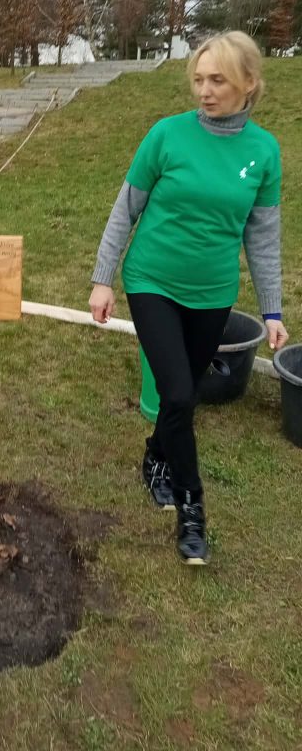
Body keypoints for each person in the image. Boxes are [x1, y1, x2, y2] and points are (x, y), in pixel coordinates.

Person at [89, 31, 288, 565]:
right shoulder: (167, 135)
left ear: (248, 82)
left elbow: (263, 237)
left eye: (217, 80)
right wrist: (103, 278)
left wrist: (272, 310)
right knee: (177, 395)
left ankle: (156, 454)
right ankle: (192, 510)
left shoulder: (264, 151)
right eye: (199, 79)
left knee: (185, 393)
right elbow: (125, 209)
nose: (204, 90)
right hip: (152, 280)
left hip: (213, 293)